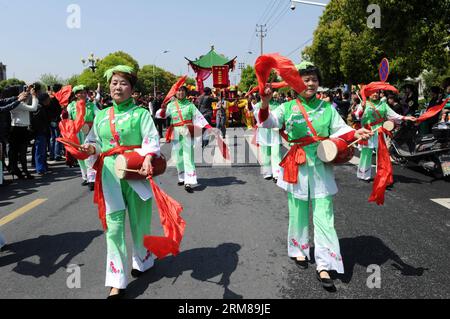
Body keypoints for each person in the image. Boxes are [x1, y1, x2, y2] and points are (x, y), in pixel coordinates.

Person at [257, 61, 372, 290]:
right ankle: (299, 249)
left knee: (324, 214)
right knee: (297, 211)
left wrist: (355, 131)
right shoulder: (287, 108)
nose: (310, 83)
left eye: (314, 79)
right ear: (296, 82)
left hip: (321, 165)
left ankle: (325, 263)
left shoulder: (327, 109)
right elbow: (266, 121)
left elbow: (342, 130)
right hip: (296, 164)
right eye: (305, 79)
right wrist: (266, 101)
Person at [82, 65, 161, 299]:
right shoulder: (101, 115)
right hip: (109, 177)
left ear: (132, 89)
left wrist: (148, 156)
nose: (118, 87)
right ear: (109, 87)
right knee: (114, 227)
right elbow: (94, 141)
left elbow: (151, 139)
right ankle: (116, 280)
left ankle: (143, 259)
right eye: (114, 82)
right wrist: (90, 148)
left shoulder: (141, 114)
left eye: (123, 83)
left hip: (135, 174)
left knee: (140, 221)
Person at [159, 85, 213, 193]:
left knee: (188, 156)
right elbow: (162, 116)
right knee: (177, 156)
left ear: (186, 93)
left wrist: (208, 127)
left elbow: (199, 118)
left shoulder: (190, 106)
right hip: (175, 132)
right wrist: (163, 109)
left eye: (183, 91)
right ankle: (182, 177)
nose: (180, 93)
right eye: (178, 91)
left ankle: (189, 181)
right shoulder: (170, 105)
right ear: (175, 93)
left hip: (188, 132)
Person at [357, 87, 416, 182]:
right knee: (366, 153)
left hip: (380, 131)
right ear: (369, 94)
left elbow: (393, 115)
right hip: (367, 131)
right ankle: (363, 174)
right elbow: (356, 115)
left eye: (377, 92)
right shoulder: (364, 103)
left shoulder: (383, 104)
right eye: (373, 92)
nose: (375, 94)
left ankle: (382, 176)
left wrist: (406, 118)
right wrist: (362, 109)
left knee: (382, 155)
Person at [67, 85, 100, 190]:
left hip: (89, 133)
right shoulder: (71, 106)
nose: (82, 95)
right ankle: (85, 176)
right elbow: (68, 118)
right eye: (80, 93)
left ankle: (92, 178)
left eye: (84, 93)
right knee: (79, 155)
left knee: (89, 154)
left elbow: (98, 115)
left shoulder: (91, 105)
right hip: (76, 133)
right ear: (76, 95)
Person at [9, 86, 38, 180]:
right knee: (22, 153)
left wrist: (28, 91)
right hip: (21, 130)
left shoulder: (13, 103)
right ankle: (25, 171)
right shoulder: (19, 104)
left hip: (15, 129)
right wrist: (34, 96)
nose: (24, 93)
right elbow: (34, 108)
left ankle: (16, 170)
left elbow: (23, 99)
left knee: (15, 152)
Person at [253, 91, 283, 182]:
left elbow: (281, 116)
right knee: (265, 152)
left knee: (276, 153)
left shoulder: (278, 105)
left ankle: (277, 173)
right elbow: (257, 117)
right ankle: (267, 172)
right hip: (263, 132)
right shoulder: (258, 105)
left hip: (275, 132)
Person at [30, 93, 51, 175]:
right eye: (48, 99)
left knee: (42, 151)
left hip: (42, 132)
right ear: (45, 100)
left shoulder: (42, 107)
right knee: (39, 151)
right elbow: (36, 122)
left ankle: (42, 167)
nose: (49, 100)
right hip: (40, 132)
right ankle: (40, 169)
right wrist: (42, 129)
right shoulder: (39, 108)